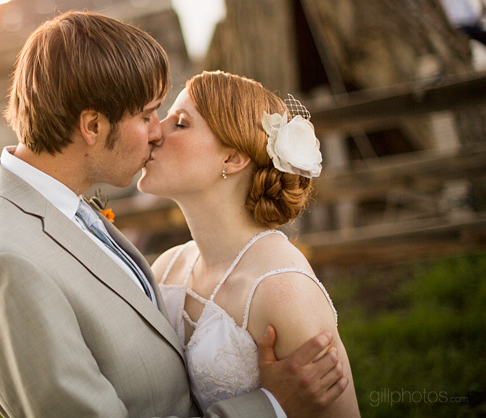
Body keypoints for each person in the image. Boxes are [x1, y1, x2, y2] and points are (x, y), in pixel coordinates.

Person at [0, 11, 348, 418]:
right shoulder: (8, 261)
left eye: (176, 120)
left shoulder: (57, 209)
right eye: (146, 116)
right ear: (92, 126)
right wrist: (270, 406)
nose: (157, 132)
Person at [139, 70, 360, 416]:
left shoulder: (283, 290)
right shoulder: (167, 268)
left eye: (180, 123)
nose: (154, 132)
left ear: (232, 158)